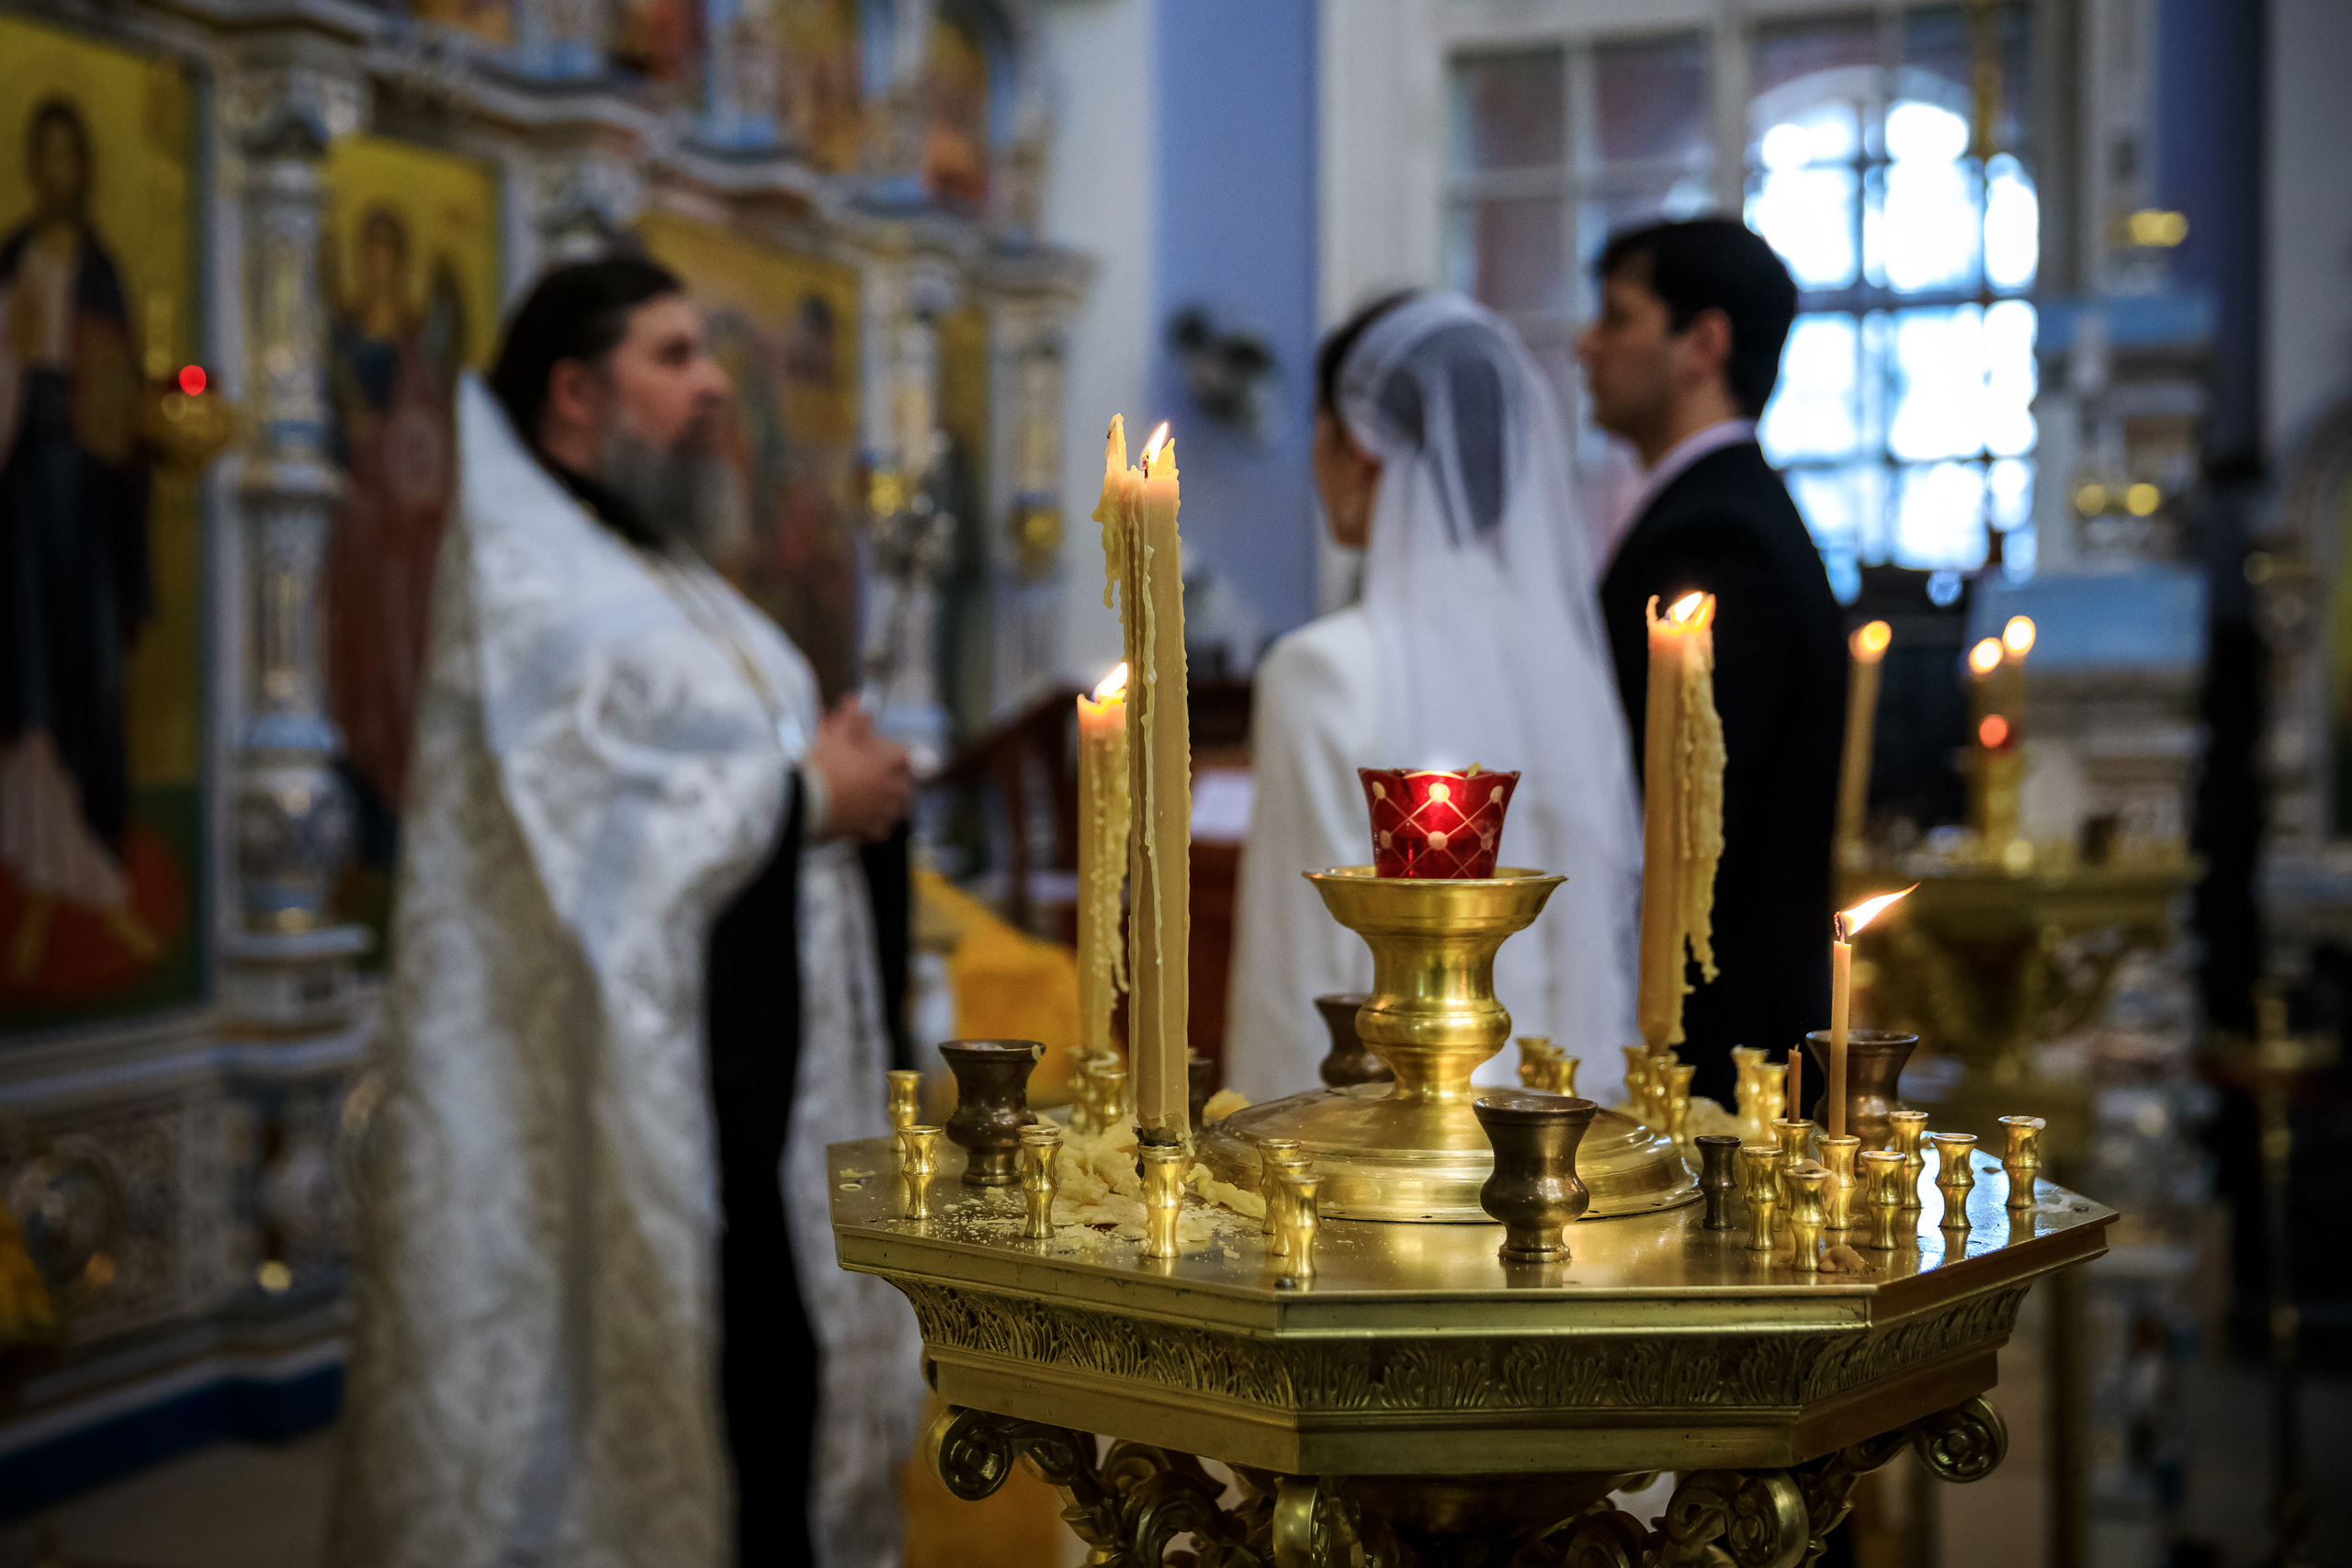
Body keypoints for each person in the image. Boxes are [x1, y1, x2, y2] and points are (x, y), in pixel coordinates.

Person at [333, 257, 922, 1568]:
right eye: (673, 355)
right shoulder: (543, 594)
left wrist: (821, 782)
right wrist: (806, 797)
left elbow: (724, 773)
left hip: (755, 1092)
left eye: (707, 354)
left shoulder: (668, 576)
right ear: (575, 391)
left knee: (772, 1407)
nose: (716, 385)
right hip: (630, 1108)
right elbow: (585, 840)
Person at [1226, 291, 1642, 1104]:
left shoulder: (1319, 671)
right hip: (1557, 1131)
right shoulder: (1566, 669)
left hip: (1388, 1146)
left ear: (1360, 449)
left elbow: (1298, 975)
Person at [1579, 218, 1845, 1107]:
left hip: (1722, 1045)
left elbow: (1688, 809)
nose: (1587, 345)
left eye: (1616, 318)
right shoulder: (1718, 509)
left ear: (1703, 342)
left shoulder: (1718, 536)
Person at [0, 96, 160, 983]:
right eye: (46, 156)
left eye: (73, 158)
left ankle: (94, 877)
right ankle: (33, 875)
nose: (59, 173)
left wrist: (139, 411)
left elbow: (126, 391)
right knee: (31, 676)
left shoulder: (101, 271)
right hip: (22, 487)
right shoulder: (15, 259)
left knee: (89, 665)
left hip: (90, 499)